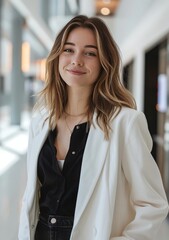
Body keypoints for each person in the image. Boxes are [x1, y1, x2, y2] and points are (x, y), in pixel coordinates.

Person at [18, 15, 169, 240]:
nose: (77, 60)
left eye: (90, 53)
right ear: (57, 56)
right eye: (69, 50)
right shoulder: (40, 121)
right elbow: (33, 196)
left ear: (104, 62)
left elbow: (153, 203)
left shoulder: (125, 123)